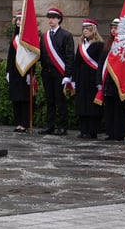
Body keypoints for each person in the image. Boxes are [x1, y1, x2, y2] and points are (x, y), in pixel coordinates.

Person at [39, 7, 74, 135]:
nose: (51, 20)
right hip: (47, 72)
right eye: (49, 18)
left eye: (53, 18)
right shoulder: (45, 36)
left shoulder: (66, 35)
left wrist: (68, 74)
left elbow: (70, 56)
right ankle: (50, 125)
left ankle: (63, 126)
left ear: (59, 19)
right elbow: (41, 54)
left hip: (60, 72)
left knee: (60, 100)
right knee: (50, 100)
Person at [72, 19, 104, 139]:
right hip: (81, 79)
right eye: (84, 29)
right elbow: (76, 63)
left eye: (88, 29)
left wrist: (99, 81)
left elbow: (101, 64)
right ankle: (83, 130)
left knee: (92, 106)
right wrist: (74, 79)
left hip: (93, 79)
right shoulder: (81, 45)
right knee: (82, 105)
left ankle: (92, 131)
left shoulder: (100, 45)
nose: (85, 31)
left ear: (93, 30)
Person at [99, 18, 125, 141]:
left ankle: (119, 133)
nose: (114, 30)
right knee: (109, 109)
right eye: (112, 28)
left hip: (119, 82)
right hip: (107, 82)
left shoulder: (124, 45)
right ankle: (110, 132)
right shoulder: (107, 44)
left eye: (116, 28)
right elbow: (101, 65)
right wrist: (99, 81)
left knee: (119, 109)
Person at [6, 12, 31, 133]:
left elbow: (32, 56)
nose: (18, 22)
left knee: (24, 99)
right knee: (16, 98)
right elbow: (10, 56)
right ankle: (17, 123)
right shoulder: (14, 37)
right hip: (14, 71)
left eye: (20, 20)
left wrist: (31, 74)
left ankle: (24, 124)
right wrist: (8, 71)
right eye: (17, 20)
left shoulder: (28, 37)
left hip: (25, 71)